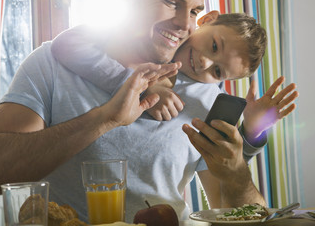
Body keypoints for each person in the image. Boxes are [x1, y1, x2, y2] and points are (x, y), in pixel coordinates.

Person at [0, 0, 285, 222]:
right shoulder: (52, 64)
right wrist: (104, 118)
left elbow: (235, 212)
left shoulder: (205, 96)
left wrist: (238, 173)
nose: (185, 24)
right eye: (171, 1)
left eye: (195, 11)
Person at [51, 11, 298, 146]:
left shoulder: (209, 103)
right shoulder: (144, 39)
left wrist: (252, 130)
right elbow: (67, 43)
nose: (205, 63)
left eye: (218, 72)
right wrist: (142, 87)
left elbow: (221, 167)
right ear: (207, 19)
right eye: (214, 46)